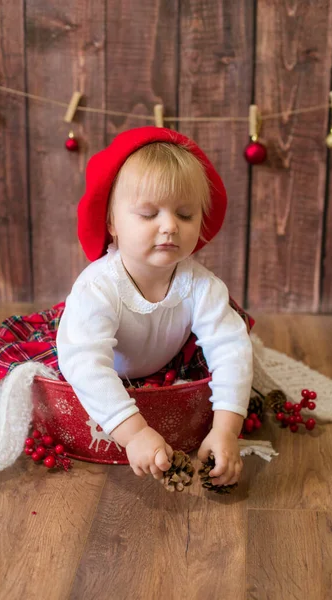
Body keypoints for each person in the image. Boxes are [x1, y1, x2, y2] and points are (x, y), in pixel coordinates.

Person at [57, 126, 253, 487]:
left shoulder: (201, 285)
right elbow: (83, 361)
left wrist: (226, 428)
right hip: (106, 367)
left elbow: (231, 350)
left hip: (165, 359)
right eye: (148, 215)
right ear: (112, 223)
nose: (169, 227)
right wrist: (133, 433)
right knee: (74, 352)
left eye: (185, 214)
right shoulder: (98, 288)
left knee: (237, 333)